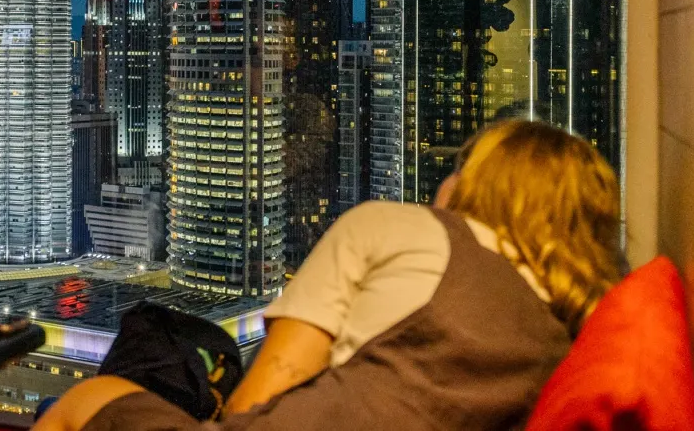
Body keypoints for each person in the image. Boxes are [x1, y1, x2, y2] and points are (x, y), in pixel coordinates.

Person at [40, 121, 621, 431]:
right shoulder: (566, 325)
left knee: (92, 395)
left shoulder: (399, 228)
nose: (446, 182)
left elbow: (269, 392)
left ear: (480, 186)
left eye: (459, 168)